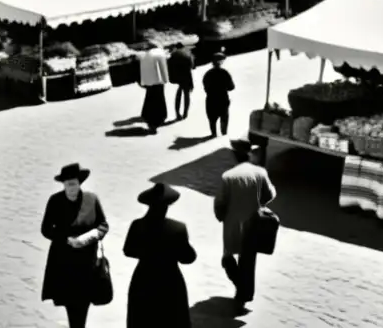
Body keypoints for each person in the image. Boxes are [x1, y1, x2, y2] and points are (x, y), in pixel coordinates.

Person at [41, 163, 109, 328]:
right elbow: (46, 229)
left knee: (81, 303)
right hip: (64, 262)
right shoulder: (55, 201)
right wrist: (66, 239)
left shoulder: (92, 200)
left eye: (74, 184)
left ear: (80, 183)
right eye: (68, 184)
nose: (71, 188)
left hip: (87, 263)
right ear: (63, 185)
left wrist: (89, 237)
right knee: (70, 302)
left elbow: (103, 225)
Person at [214, 135, 276, 313]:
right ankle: (244, 292)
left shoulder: (228, 176)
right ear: (249, 154)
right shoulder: (260, 173)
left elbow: (220, 204)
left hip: (232, 224)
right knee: (248, 260)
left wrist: (221, 217)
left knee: (228, 257)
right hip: (254, 222)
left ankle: (241, 288)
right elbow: (270, 194)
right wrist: (259, 203)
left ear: (234, 155)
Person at [124, 183, 197, 328]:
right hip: (170, 281)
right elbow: (188, 258)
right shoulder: (177, 228)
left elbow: (128, 251)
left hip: (143, 278)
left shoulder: (137, 225)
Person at [138, 43, 169, 134]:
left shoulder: (145, 55)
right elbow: (163, 68)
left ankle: (151, 123)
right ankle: (156, 123)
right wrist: (165, 79)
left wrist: (144, 82)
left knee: (150, 102)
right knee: (159, 103)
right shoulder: (159, 53)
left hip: (149, 84)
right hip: (158, 83)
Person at [202, 51, 235, 137]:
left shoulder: (208, 74)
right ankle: (224, 134)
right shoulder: (224, 73)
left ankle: (213, 134)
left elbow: (205, 88)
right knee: (224, 118)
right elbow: (231, 87)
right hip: (223, 98)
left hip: (211, 99)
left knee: (212, 119)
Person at [168, 43, 195, 120]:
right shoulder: (188, 52)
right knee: (186, 95)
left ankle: (177, 113)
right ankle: (185, 113)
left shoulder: (173, 53)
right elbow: (192, 65)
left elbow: (169, 65)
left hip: (177, 76)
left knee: (178, 94)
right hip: (186, 76)